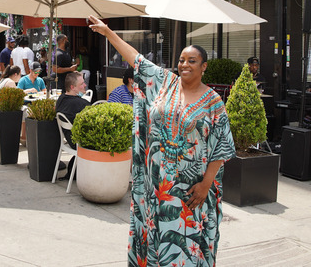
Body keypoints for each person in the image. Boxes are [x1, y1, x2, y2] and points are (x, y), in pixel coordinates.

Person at [88, 15, 235, 266]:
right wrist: (108, 32)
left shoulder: (213, 103)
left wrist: (205, 185)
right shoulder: (165, 82)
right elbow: (136, 59)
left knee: (185, 244)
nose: (185, 64)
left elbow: (222, 147)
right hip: (155, 187)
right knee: (154, 239)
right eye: (181, 60)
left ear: (204, 67)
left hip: (191, 191)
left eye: (192, 61)